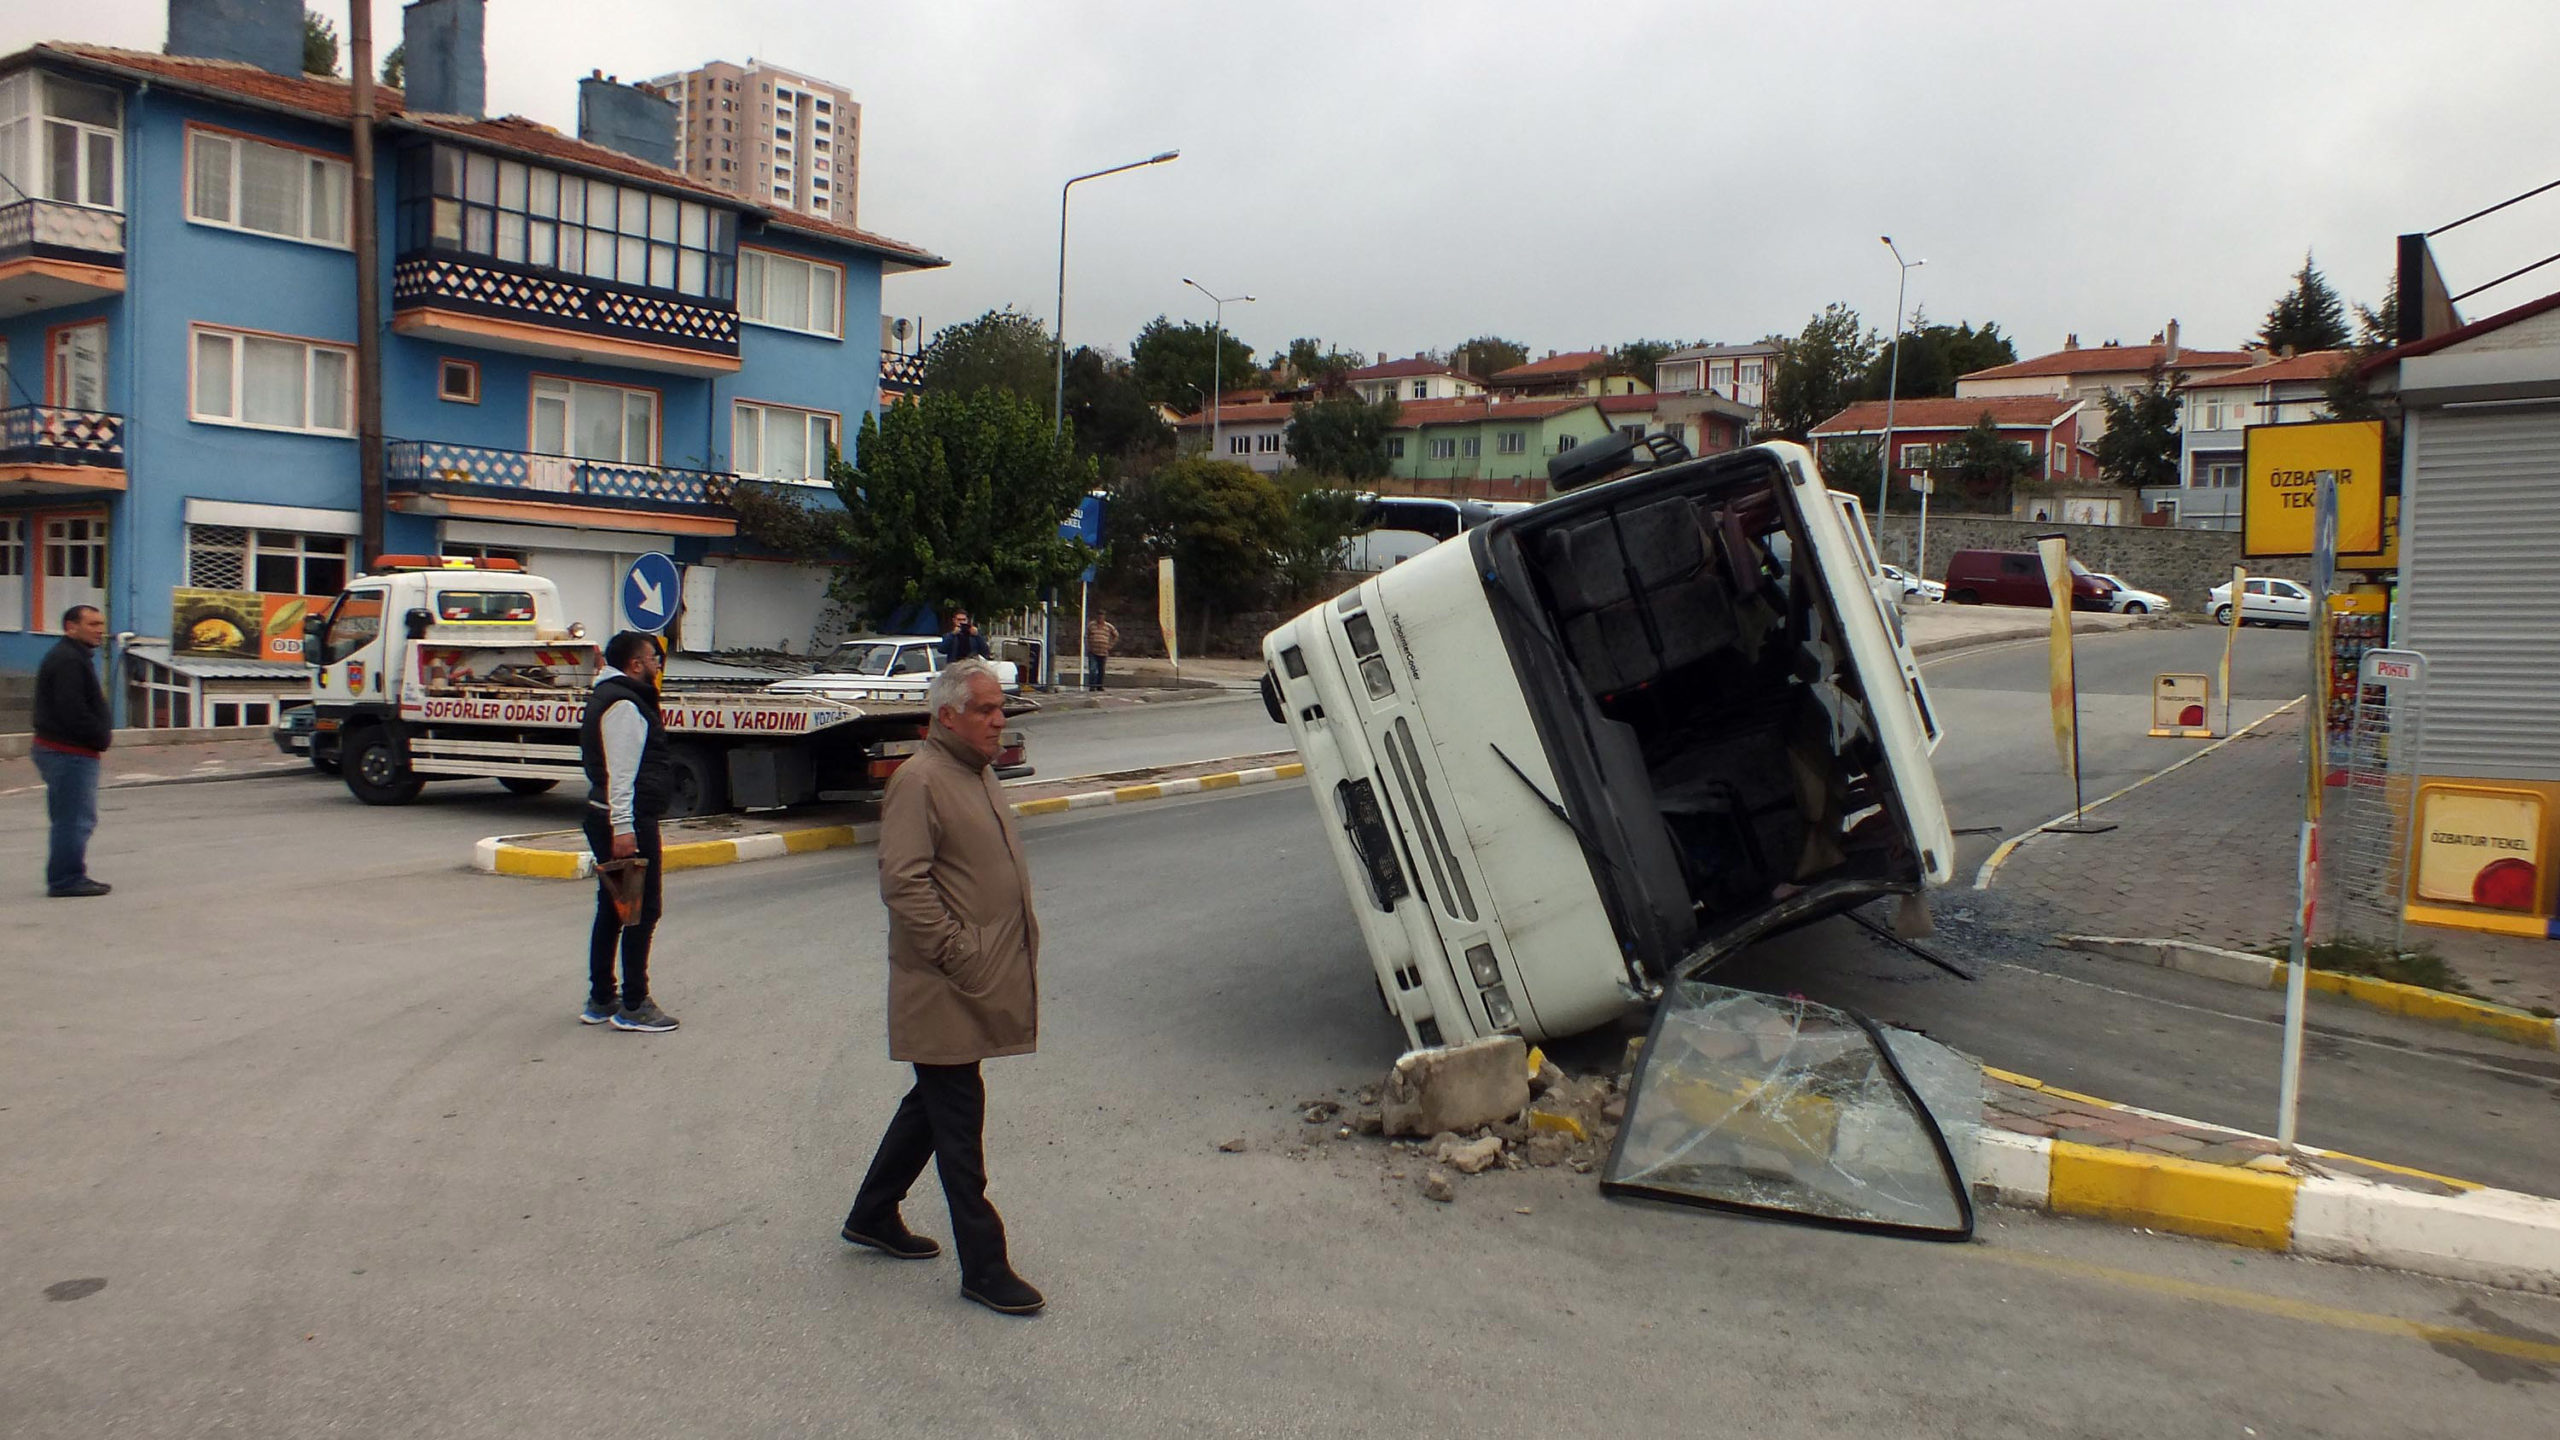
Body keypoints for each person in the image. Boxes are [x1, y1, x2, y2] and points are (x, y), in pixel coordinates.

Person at [845, 656, 1045, 1316]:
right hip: (945, 984)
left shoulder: (976, 773)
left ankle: (873, 1213)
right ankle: (985, 1266)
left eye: (1000, 708)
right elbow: (904, 882)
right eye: (986, 709)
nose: (998, 719)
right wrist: (960, 955)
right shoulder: (921, 780)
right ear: (948, 716)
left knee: (933, 1104)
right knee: (960, 1127)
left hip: (973, 978)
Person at [578, 631, 679, 1032]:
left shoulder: (612, 696)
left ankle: (602, 997)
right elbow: (621, 773)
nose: (658, 664)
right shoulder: (624, 705)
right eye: (654, 658)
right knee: (640, 911)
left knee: (614, 909)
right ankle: (634, 1003)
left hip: (612, 816)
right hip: (626, 820)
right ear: (636, 665)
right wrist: (624, 828)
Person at [33, 604, 112, 898]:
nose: (99, 630)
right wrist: (98, 736)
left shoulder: (75, 656)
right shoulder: (68, 660)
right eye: (92, 624)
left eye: (101, 624)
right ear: (71, 627)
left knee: (73, 817)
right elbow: (72, 710)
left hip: (68, 750)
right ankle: (66, 879)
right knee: (74, 819)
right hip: (67, 752)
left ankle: (68, 874)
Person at [1084, 612, 1118, 692]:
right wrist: (1088, 645)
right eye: (1099, 616)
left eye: (1101, 617)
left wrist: (1110, 645)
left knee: (1101, 670)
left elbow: (1116, 635)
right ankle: (1092, 686)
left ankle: (1100, 686)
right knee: (1092, 669)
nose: (1100, 618)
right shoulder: (1091, 625)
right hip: (1093, 651)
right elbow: (1086, 635)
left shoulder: (1109, 626)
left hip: (1103, 651)